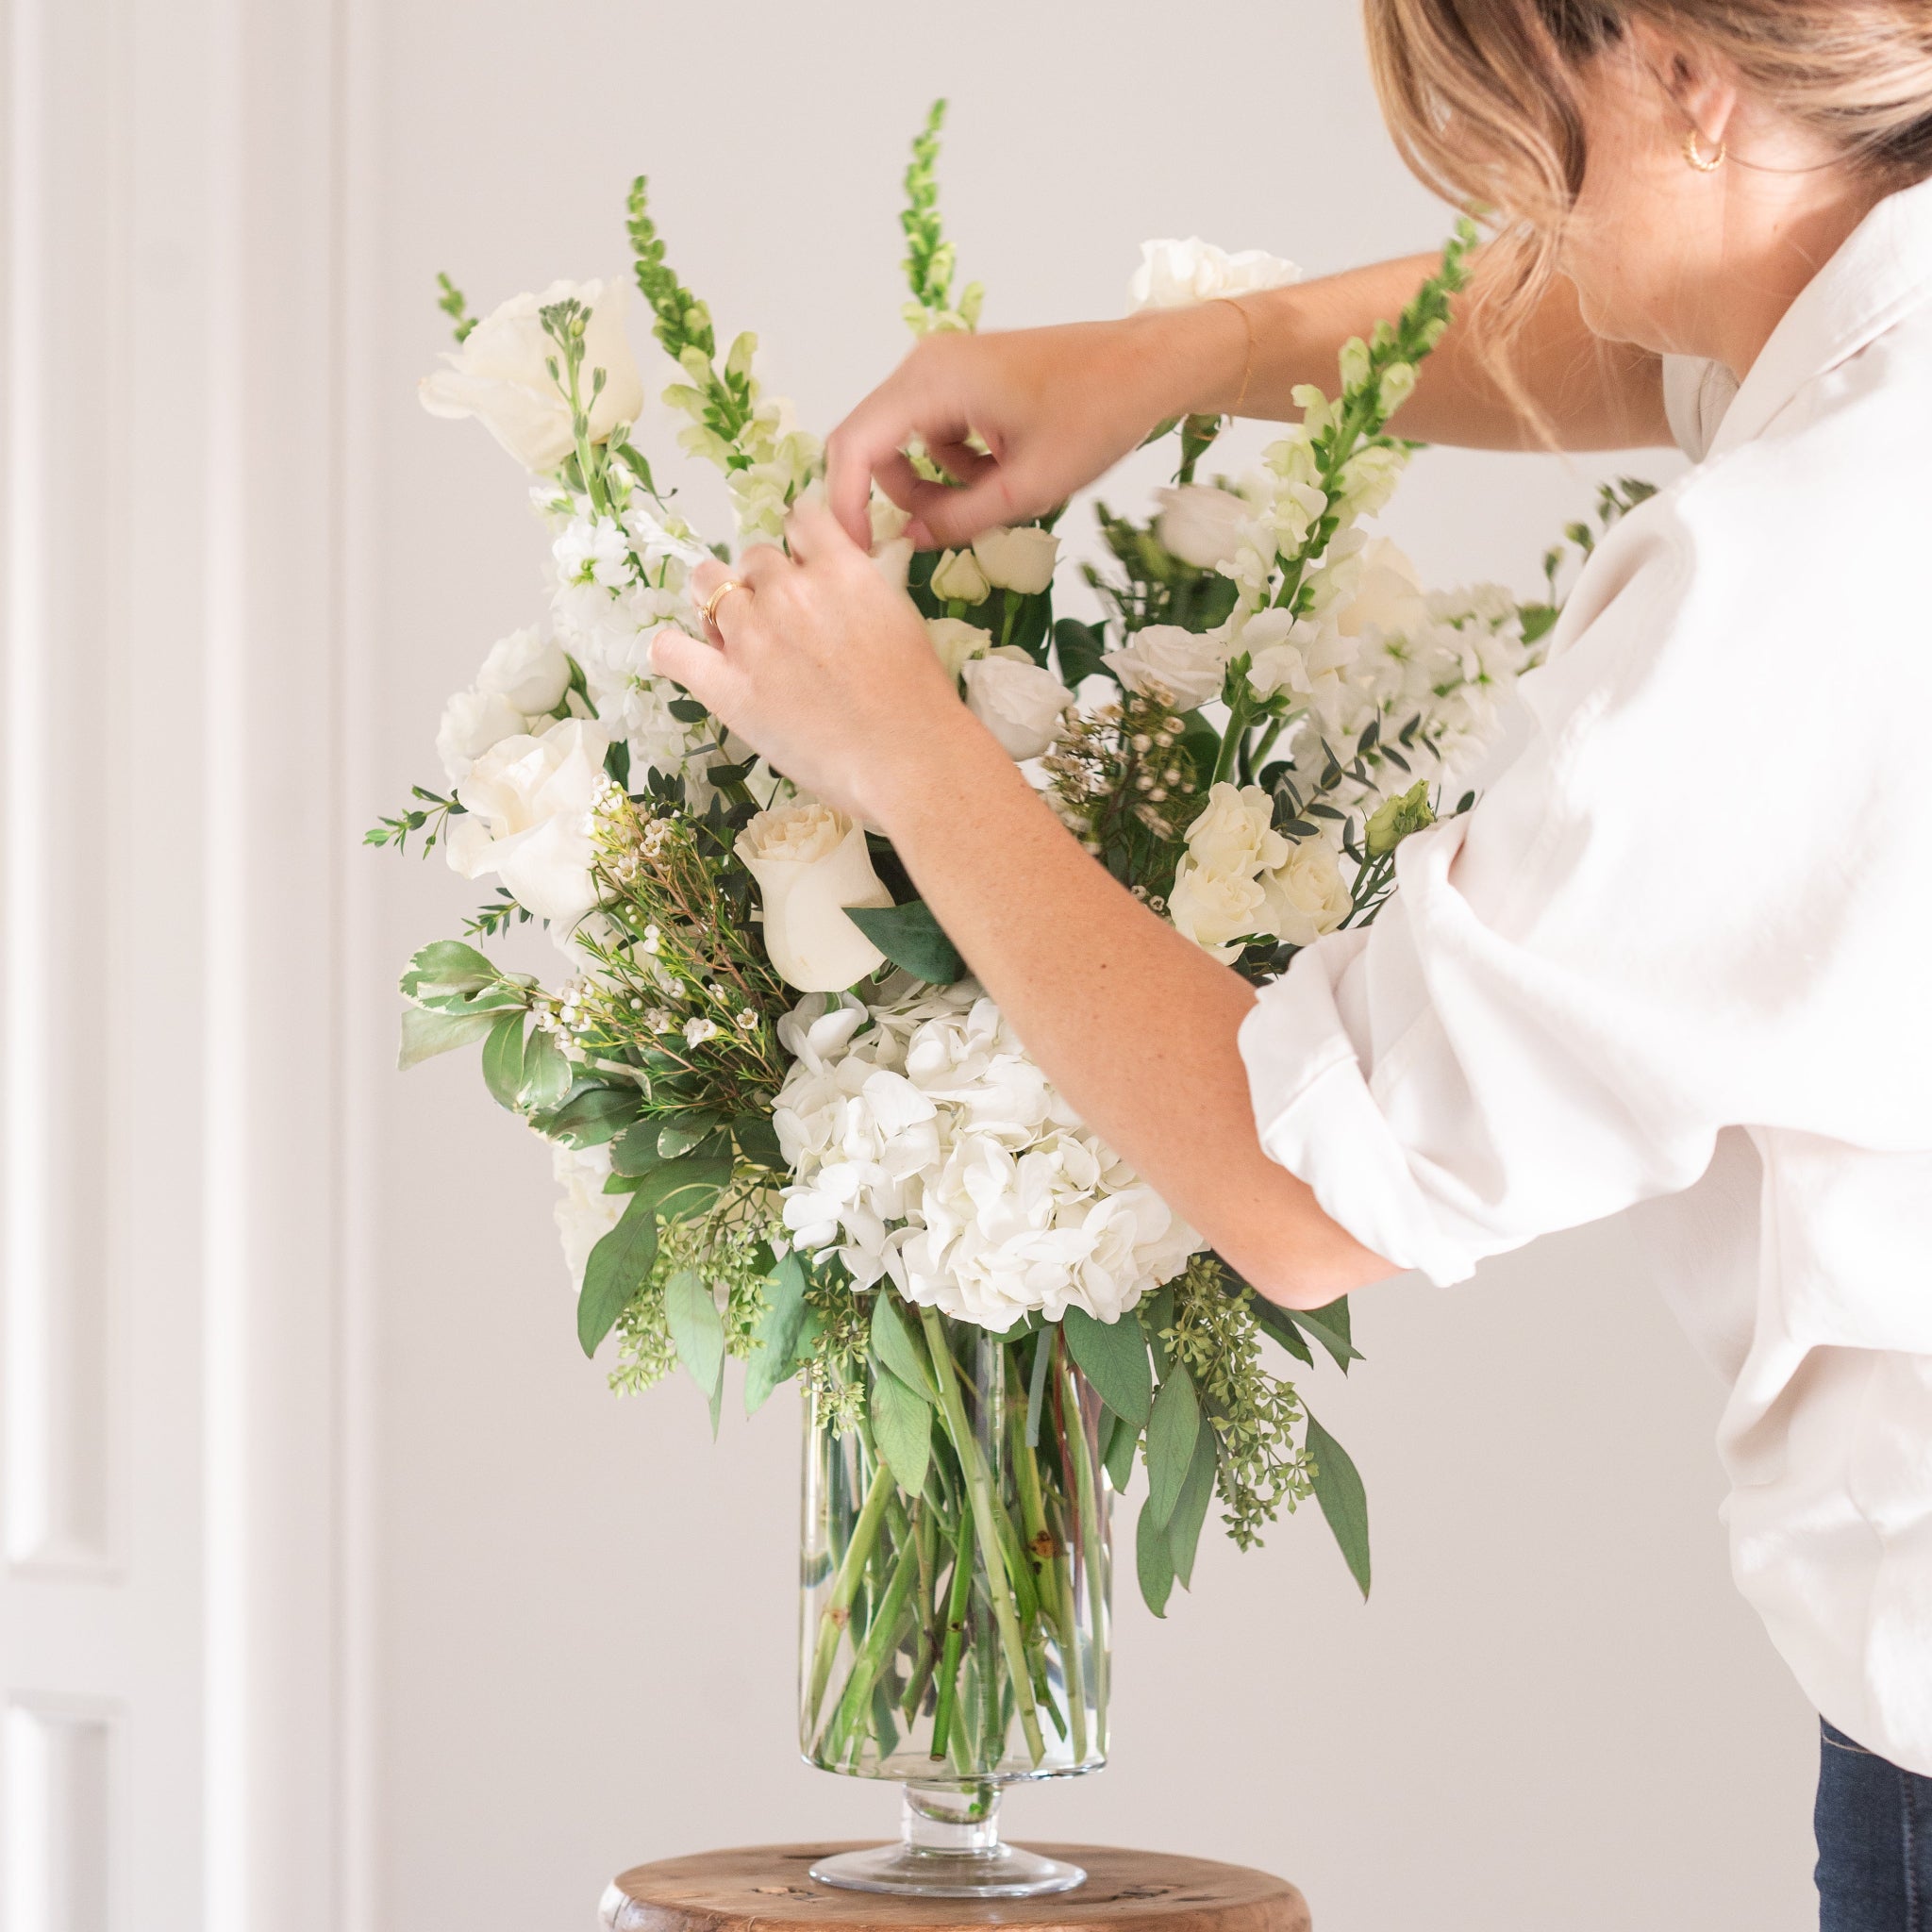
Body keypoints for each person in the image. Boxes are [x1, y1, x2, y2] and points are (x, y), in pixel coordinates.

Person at [650, 4, 1932, 1921]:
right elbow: (1669, 326)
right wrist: (1167, 361)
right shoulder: (1868, 356)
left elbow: (1308, 1185)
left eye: (1532, 129)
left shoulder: (1806, 568)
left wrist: (903, 751)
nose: (1518, 203)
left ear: (1678, 63)